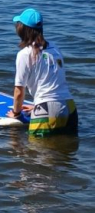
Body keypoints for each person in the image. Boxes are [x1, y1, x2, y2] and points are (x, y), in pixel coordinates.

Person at [7, 8, 78, 136]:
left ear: (23, 29)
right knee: (66, 153)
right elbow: (55, 83)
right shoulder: (55, 48)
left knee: (36, 153)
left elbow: (19, 92)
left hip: (48, 111)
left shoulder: (25, 54)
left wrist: (16, 114)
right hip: (70, 107)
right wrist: (37, 105)